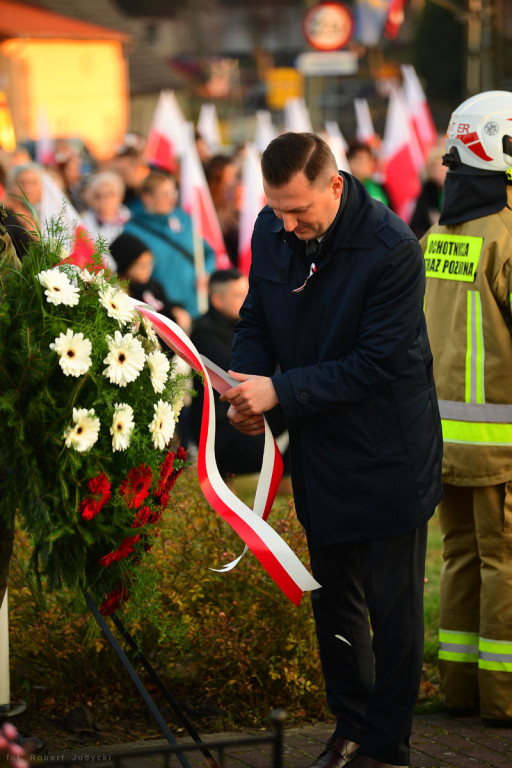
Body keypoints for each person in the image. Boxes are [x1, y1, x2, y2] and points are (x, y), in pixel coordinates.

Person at [220, 132, 443, 768]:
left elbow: (376, 363)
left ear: (336, 185)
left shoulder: (391, 247)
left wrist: (280, 391)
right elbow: (257, 317)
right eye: (276, 210)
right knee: (333, 597)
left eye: (299, 210)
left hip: (387, 450)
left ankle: (387, 745)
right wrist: (246, 386)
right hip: (320, 448)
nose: (287, 225)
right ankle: (350, 726)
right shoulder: (272, 228)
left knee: (393, 609)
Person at [420, 91, 512, 727]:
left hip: (441, 440)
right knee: (504, 563)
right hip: (501, 445)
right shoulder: (505, 234)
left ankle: (459, 689)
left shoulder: (437, 235)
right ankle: (504, 698)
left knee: (459, 557)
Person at [189, 268, 291, 486]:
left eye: (247, 293)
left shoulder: (243, 327)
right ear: (217, 300)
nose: (246, 300)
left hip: (245, 419)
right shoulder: (204, 335)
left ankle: (289, 485)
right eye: (238, 295)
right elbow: (239, 376)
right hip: (221, 432)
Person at [123, 170, 215, 319]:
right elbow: (134, 276)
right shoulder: (132, 230)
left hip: (196, 304)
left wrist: (206, 273)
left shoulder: (184, 218)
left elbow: (208, 252)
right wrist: (169, 308)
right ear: (148, 197)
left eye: (174, 193)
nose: (172, 198)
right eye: (166, 194)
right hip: (163, 310)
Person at [109, 232, 191, 333]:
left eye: (150, 263)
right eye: (142, 265)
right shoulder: (119, 291)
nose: (148, 269)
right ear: (126, 265)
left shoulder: (154, 286)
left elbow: (165, 305)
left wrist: (176, 309)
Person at [410, 145, 446, 239]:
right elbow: (416, 224)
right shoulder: (426, 194)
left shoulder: (456, 191)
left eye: (442, 167)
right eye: (434, 168)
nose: (438, 172)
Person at [346, 140, 390, 207]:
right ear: (349, 162)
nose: (367, 165)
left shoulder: (376, 187)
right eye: (361, 160)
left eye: (368, 160)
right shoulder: (345, 189)